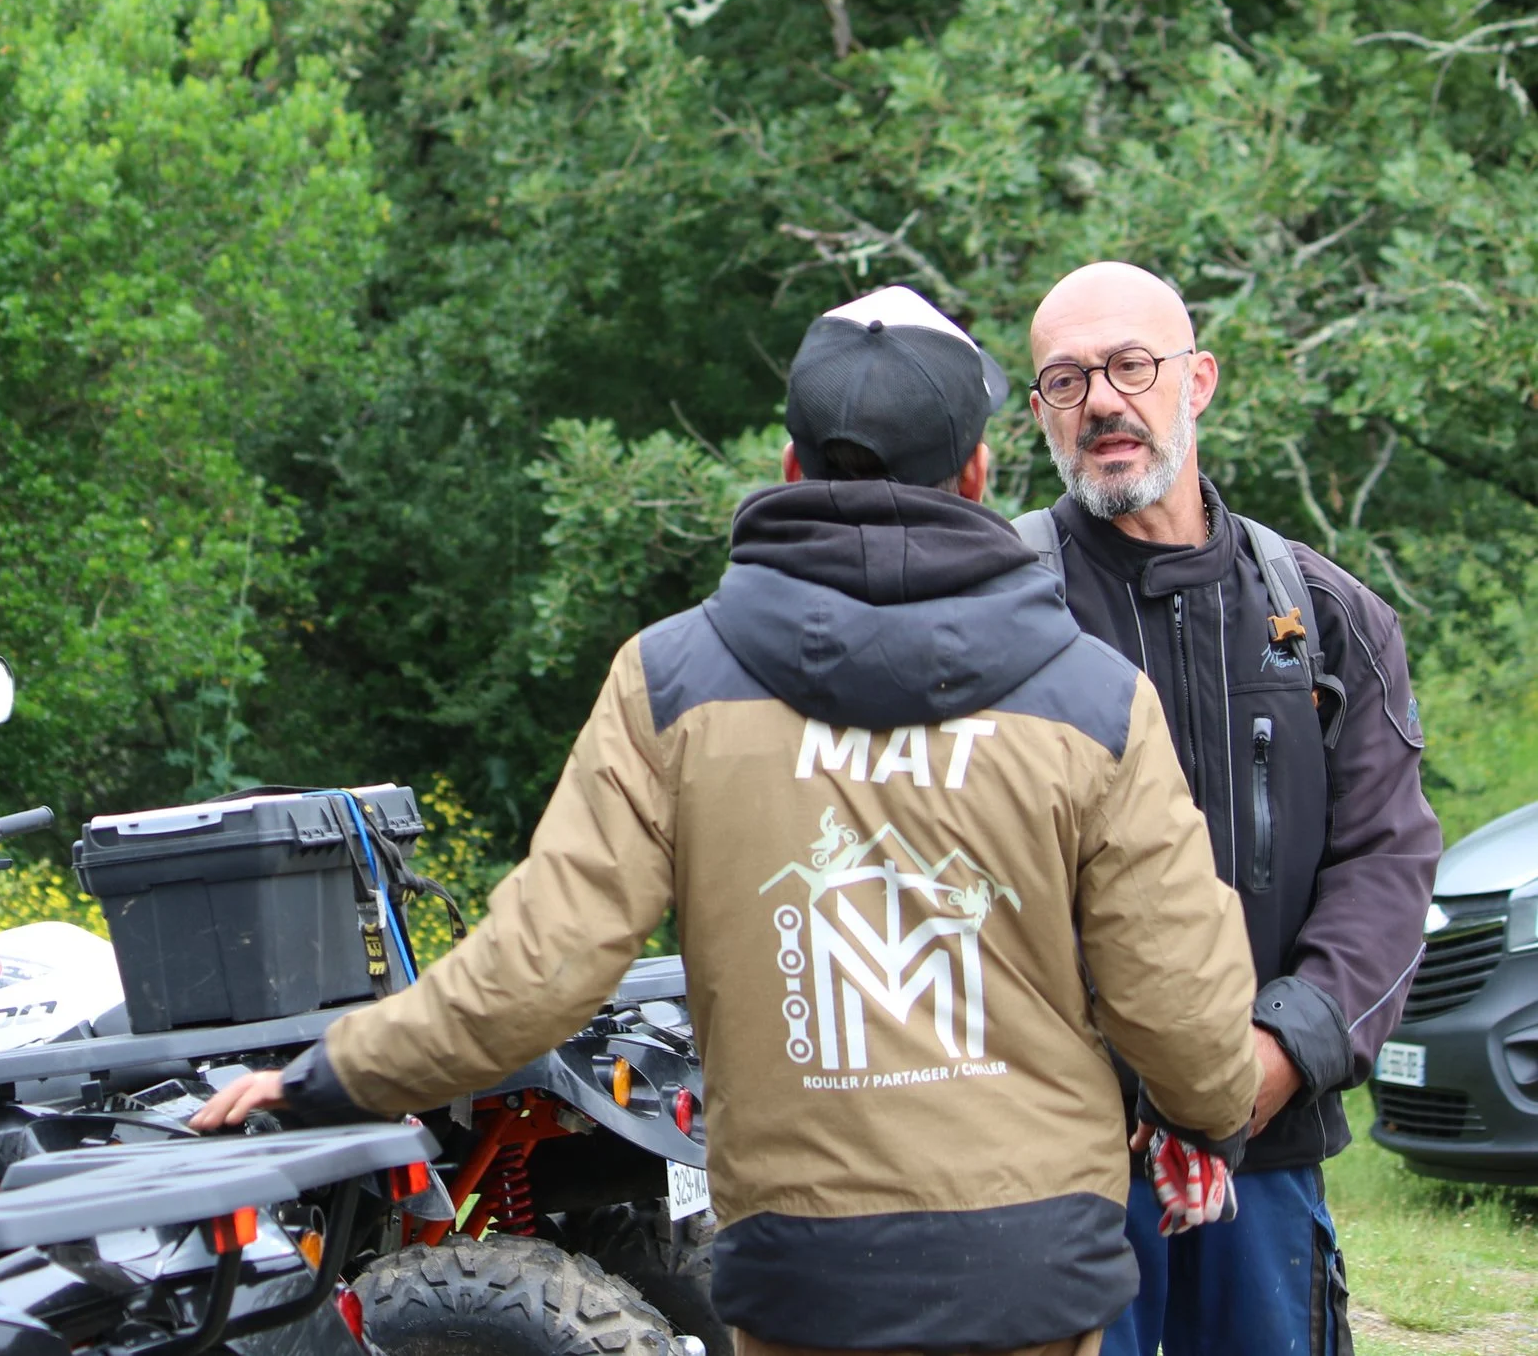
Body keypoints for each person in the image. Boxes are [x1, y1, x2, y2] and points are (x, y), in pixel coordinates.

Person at [196, 285, 1262, 1356]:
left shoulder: (671, 682)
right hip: (1031, 1275)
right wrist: (1208, 1111)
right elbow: (1181, 1010)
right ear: (976, 474)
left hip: (805, 1280)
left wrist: (323, 1074)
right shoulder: (1094, 697)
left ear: (791, 470)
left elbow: (532, 977)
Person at [1020, 262, 1442, 1356]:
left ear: (1196, 379)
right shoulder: (990, 611)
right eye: (1065, 380)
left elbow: (1386, 860)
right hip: (1049, 1160)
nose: (1103, 401)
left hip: (1268, 1139)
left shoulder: (1329, 615)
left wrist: (1277, 1053)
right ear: (1037, 412)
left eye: (1130, 366)